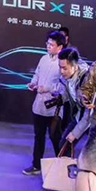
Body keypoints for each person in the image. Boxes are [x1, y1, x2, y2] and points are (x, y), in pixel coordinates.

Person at [23, 31, 65, 175]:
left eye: (51, 45)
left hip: (54, 108)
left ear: (60, 47)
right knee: (38, 137)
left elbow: (64, 86)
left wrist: (47, 88)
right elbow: (37, 74)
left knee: (56, 138)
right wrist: (33, 83)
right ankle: (36, 165)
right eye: (47, 43)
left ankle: (63, 167)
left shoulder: (63, 63)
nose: (48, 46)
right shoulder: (43, 59)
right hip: (39, 105)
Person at [56, 48, 91, 146]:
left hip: (92, 119)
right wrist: (61, 98)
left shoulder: (87, 81)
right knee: (63, 146)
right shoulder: (66, 78)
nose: (61, 71)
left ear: (75, 67)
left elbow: (89, 113)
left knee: (93, 152)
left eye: (64, 68)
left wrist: (75, 133)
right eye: (60, 67)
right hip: (79, 116)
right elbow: (70, 92)